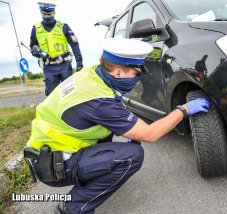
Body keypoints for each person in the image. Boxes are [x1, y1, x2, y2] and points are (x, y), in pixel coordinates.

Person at [24, 38, 210, 214]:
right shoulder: (99, 102)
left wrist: (129, 127)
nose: (139, 77)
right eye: (137, 73)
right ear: (118, 73)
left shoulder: (92, 74)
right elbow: (151, 134)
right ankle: (74, 207)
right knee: (132, 156)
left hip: (45, 150)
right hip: (53, 166)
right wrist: (184, 109)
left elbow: (107, 109)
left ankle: (89, 177)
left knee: (113, 140)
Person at [30, 2, 84, 96]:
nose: (47, 16)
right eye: (44, 14)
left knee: (69, 94)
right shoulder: (36, 29)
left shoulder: (63, 26)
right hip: (48, 67)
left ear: (54, 13)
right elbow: (32, 47)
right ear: (41, 13)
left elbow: (74, 45)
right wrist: (36, 52)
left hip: (64, 65)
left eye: (49, 14)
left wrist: (79, 64)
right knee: (52, 96)